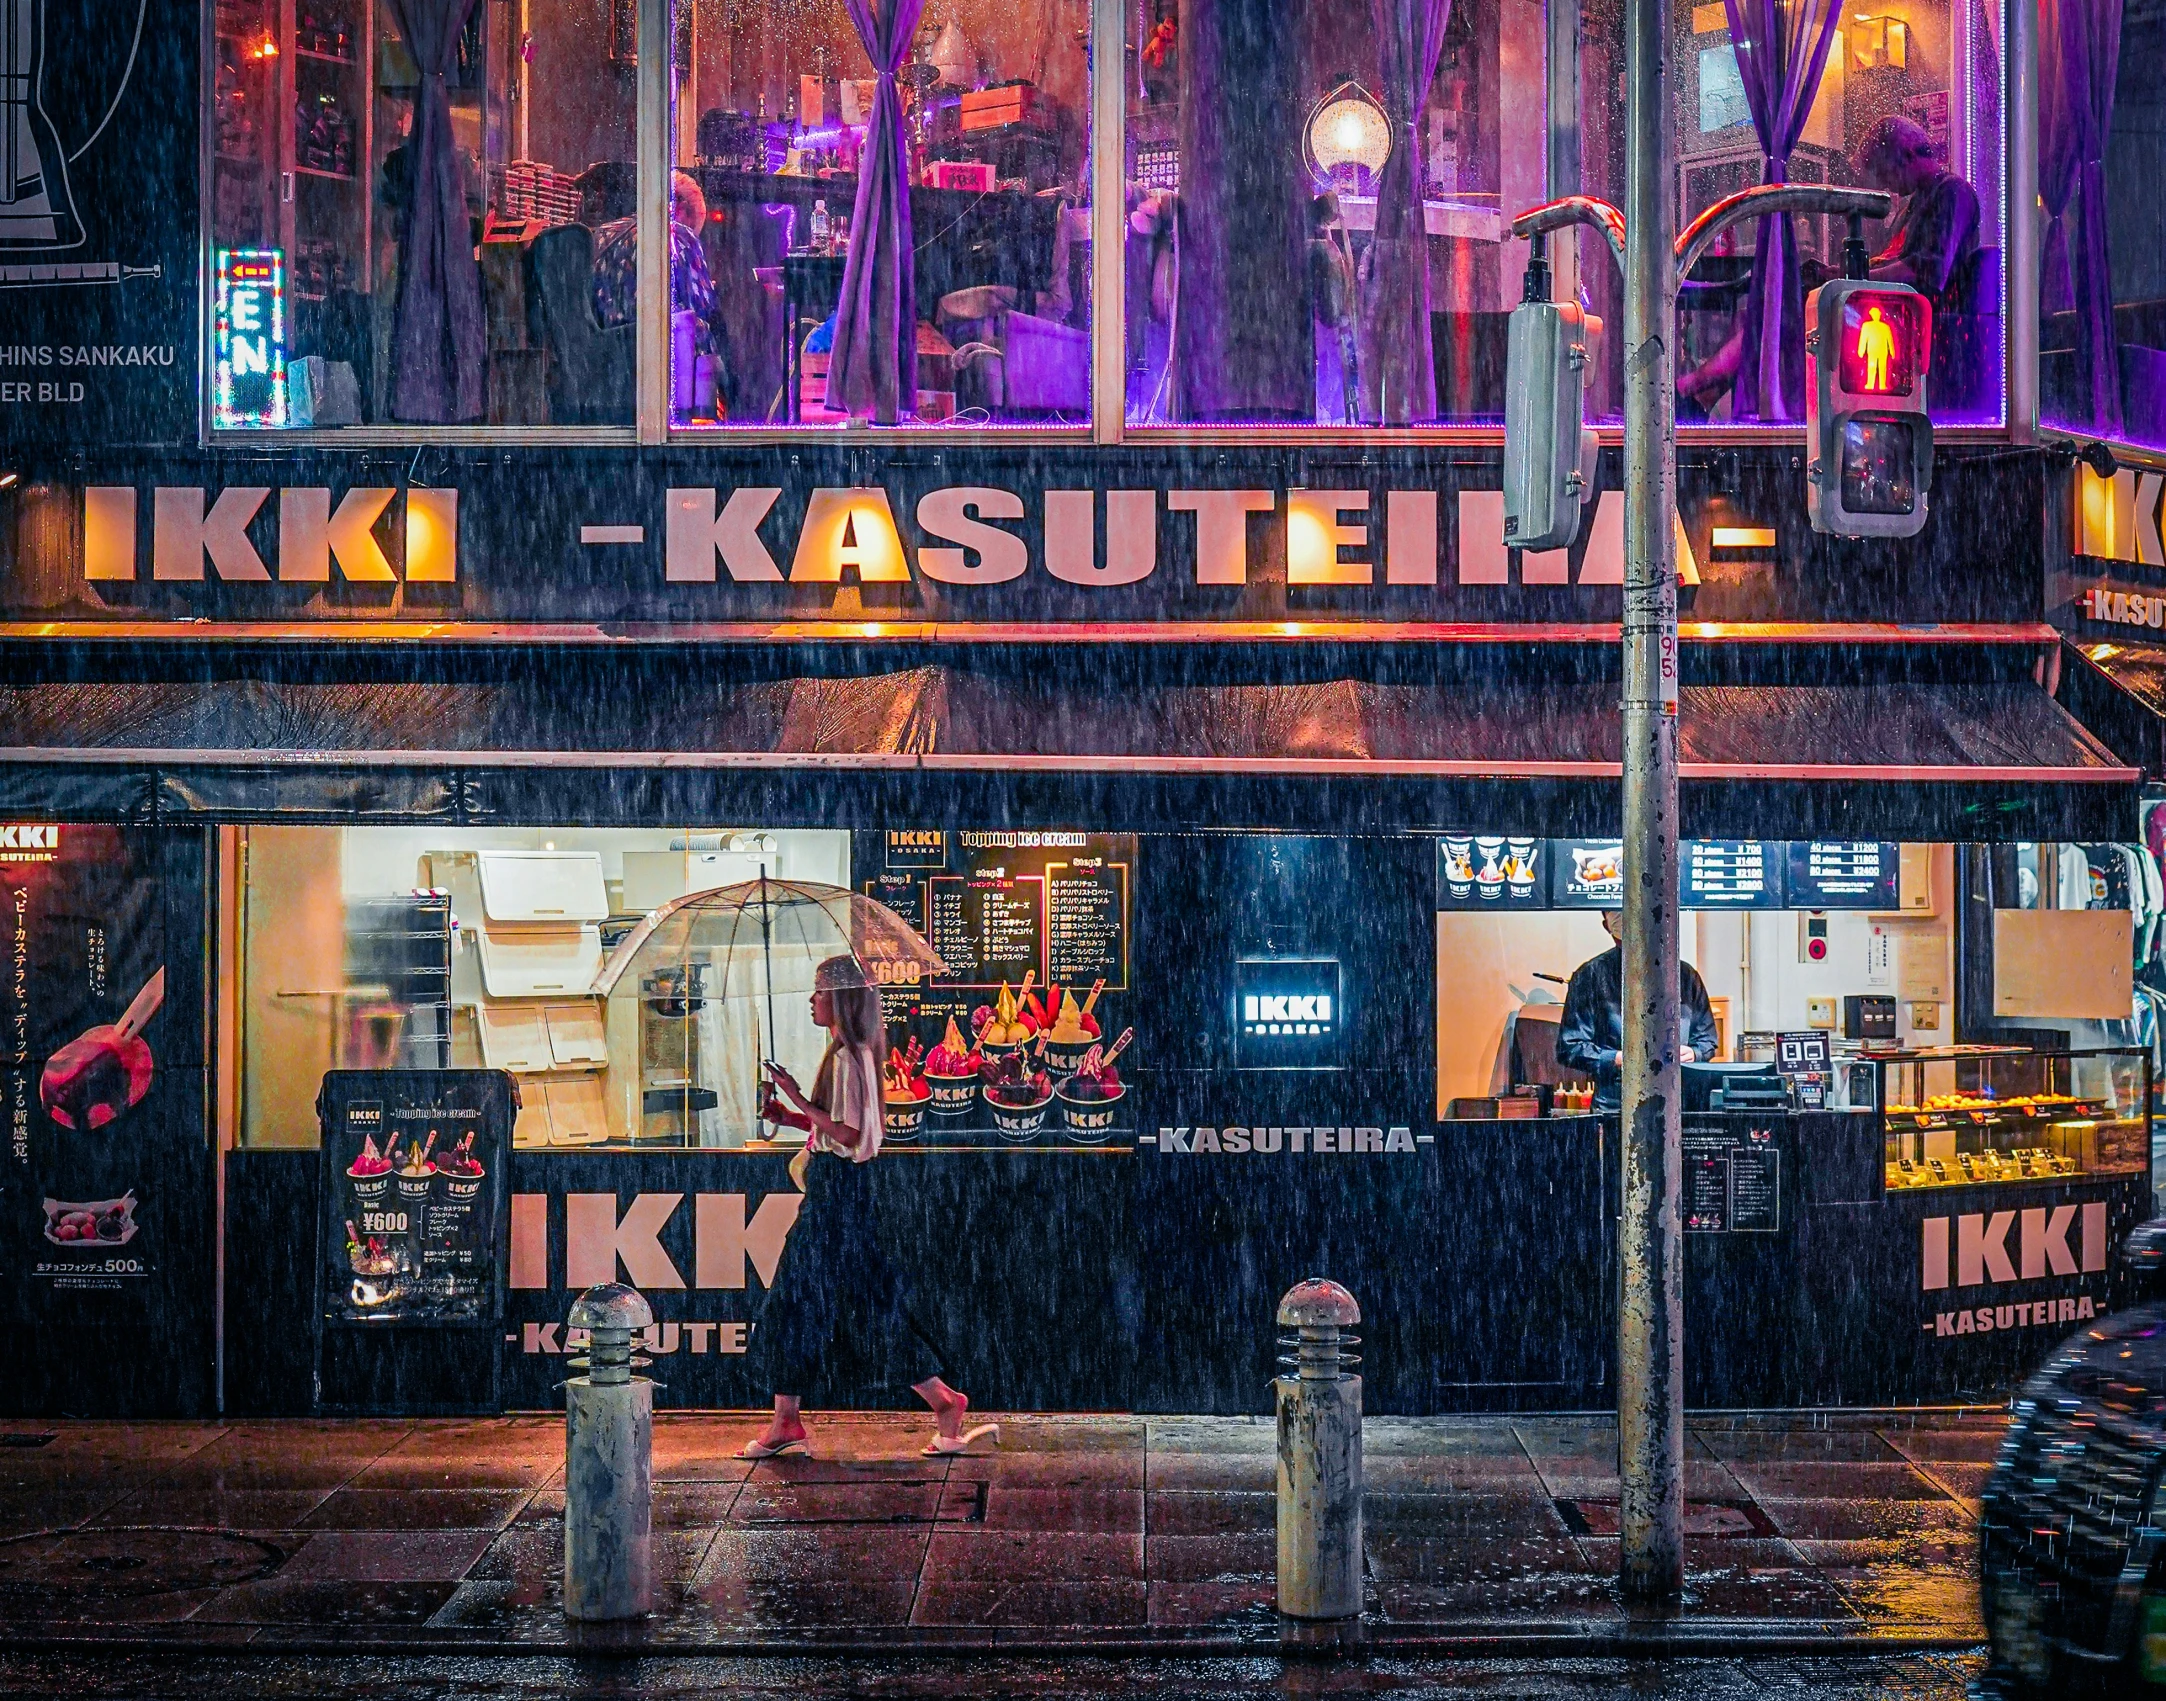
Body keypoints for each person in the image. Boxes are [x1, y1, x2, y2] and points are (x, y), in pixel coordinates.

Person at [737, 955, 997, 1461]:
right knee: (864, 1305)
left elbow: (851, 1135)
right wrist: (791, 1115)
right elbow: (846, 1132)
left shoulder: (844, 1057)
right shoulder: (855, 1053)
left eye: (817, 991)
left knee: (799, 1297)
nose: (811, 1000)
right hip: (846, 1191)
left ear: (839, 998)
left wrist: (796, 1098)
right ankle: (934, 1402)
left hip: (836, 1198)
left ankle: (793, 1419)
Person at [1555, 909, 1720, 1113]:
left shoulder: (1685, 976)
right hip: (1616, 1107)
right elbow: (1569, 1048)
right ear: (1607, 927)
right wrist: (1618, 1059)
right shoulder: (1590, 977)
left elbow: (1707, 1040)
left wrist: (1694, 1053)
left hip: (1678, 1105)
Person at [591, 170, 721, 352]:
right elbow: (702, 306)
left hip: (607, 353)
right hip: (653, 349)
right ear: (680, 208)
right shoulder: (681, 234)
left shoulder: (603, 233)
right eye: (692, 226)